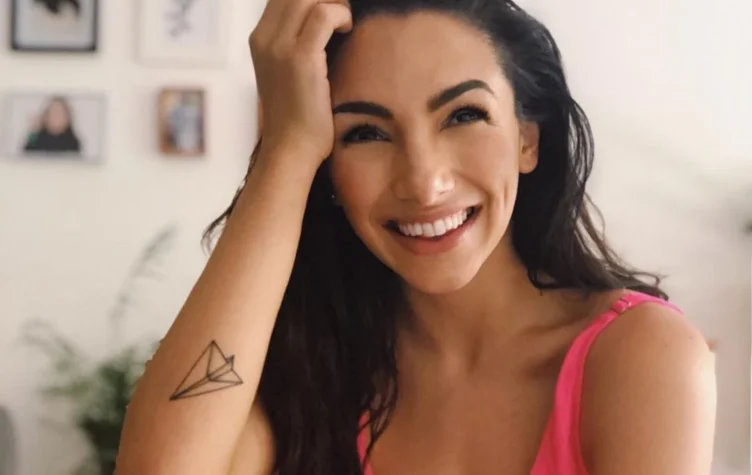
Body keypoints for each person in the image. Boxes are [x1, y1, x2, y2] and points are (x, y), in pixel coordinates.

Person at [116, 0, 717, 474]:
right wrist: (285, 149)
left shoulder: (639, 356)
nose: (425, 184)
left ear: (528, 139)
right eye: (365, 133)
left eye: (463, 116)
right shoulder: (312, 368)